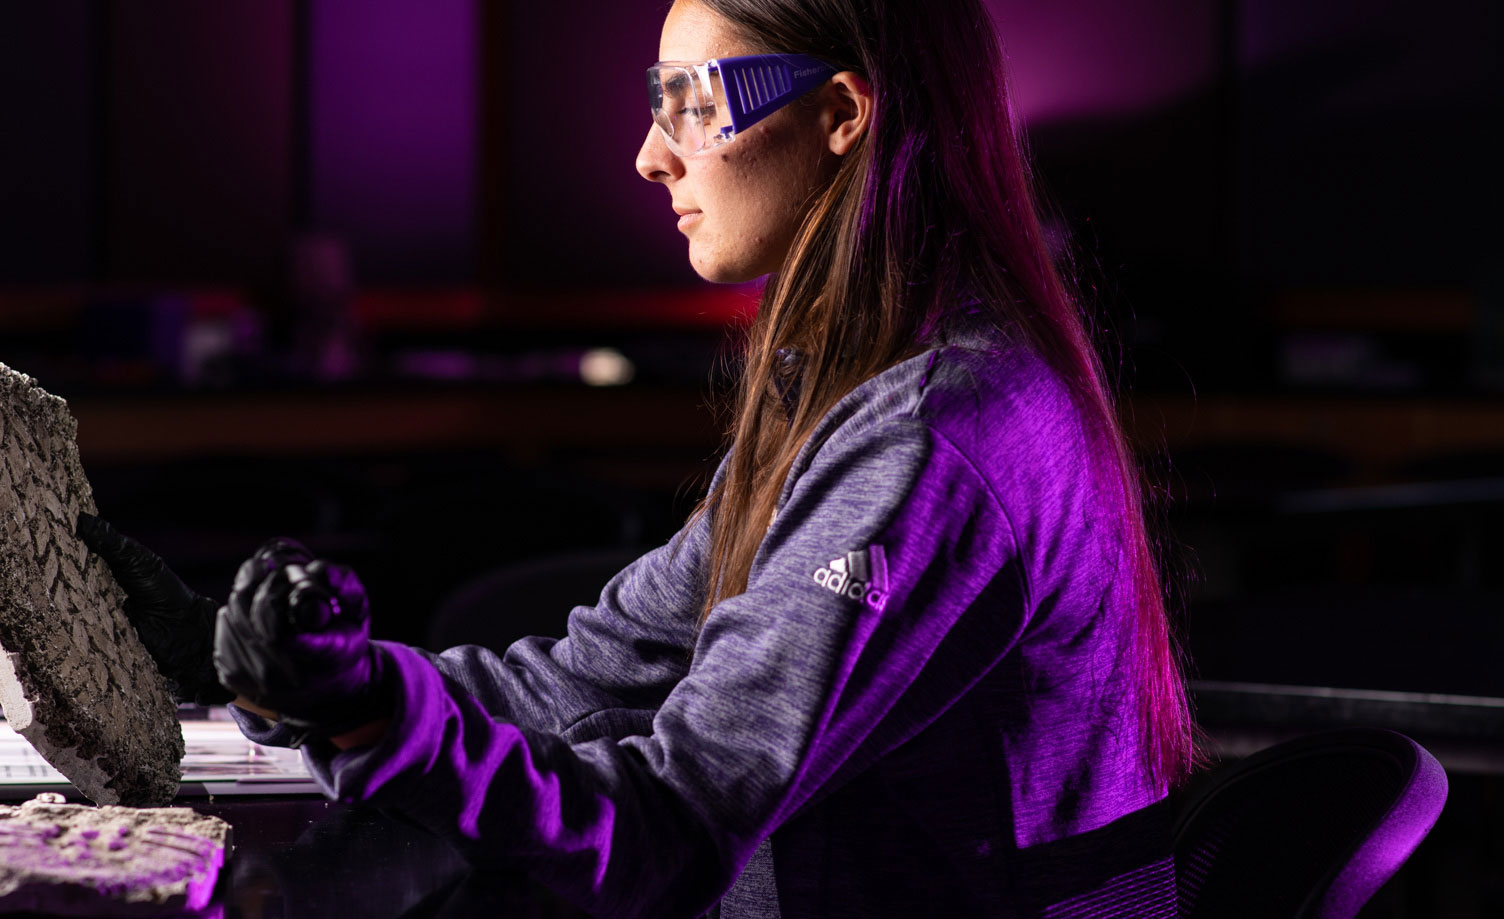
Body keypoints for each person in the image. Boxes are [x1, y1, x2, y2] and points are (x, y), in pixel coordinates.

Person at [79, 0, 1195, 915]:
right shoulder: (859, 389)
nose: (650, 153)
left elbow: (667, 828)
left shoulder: (928, 438)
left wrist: (374, 716)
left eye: (691, 102)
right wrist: (263, 677)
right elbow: (585, 677)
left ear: (843, 115)